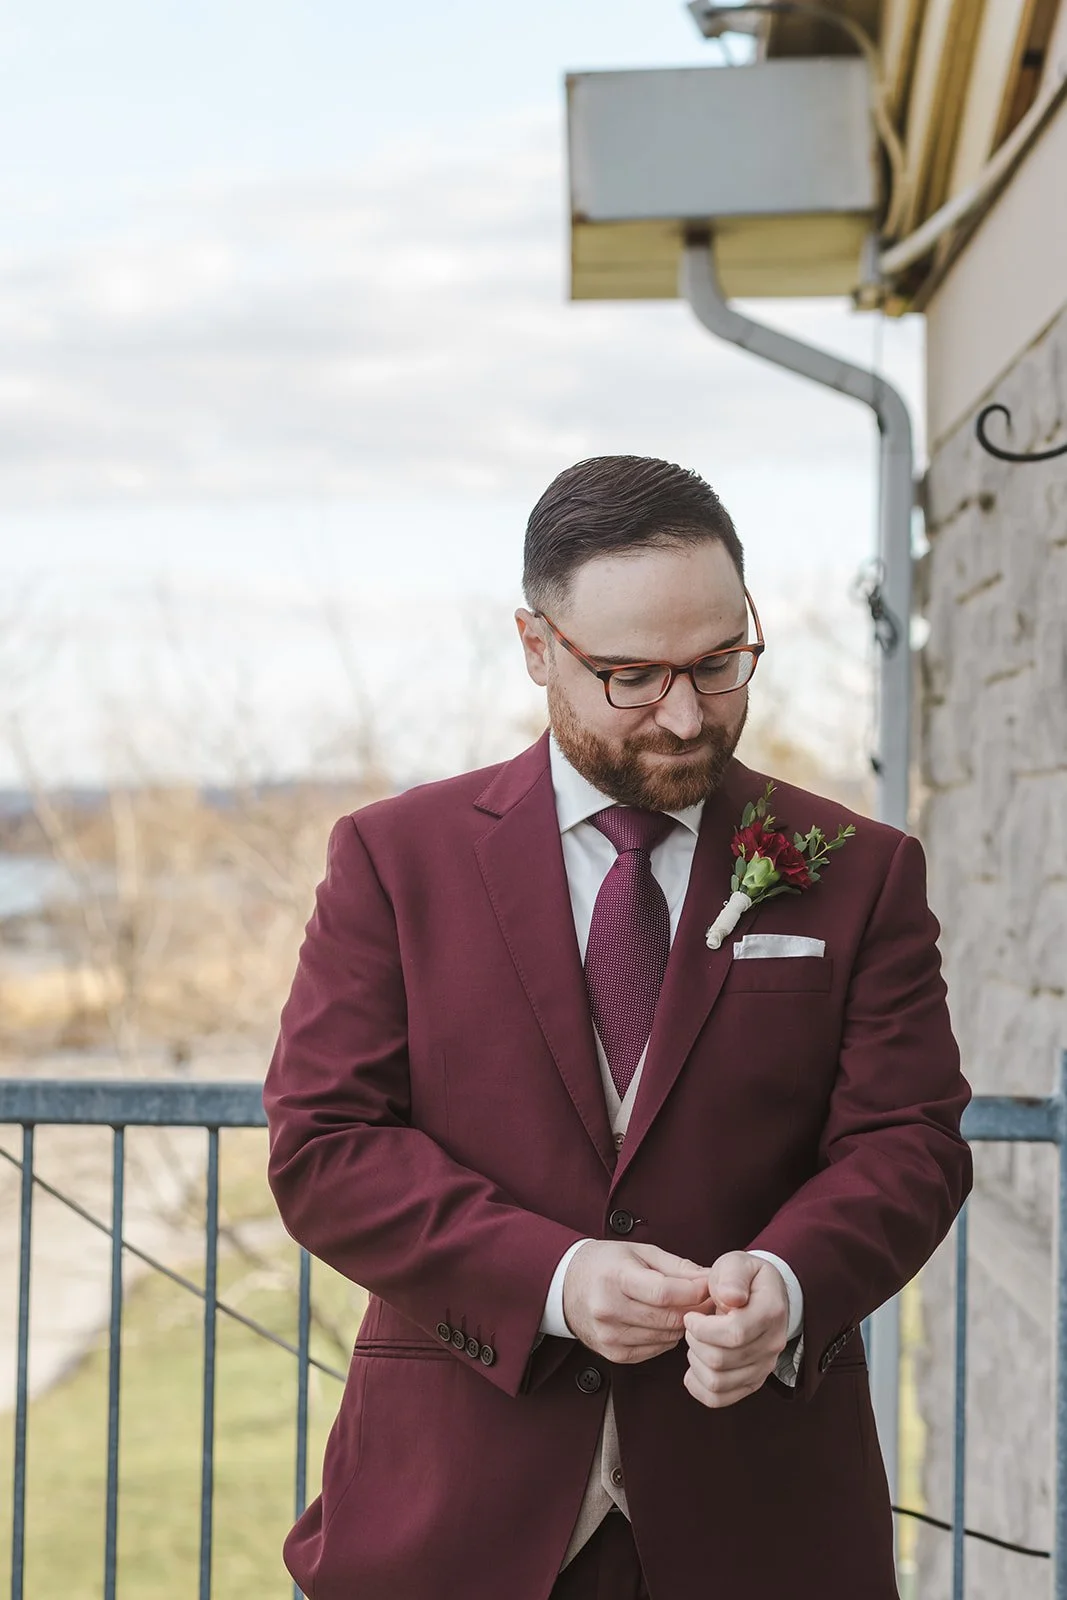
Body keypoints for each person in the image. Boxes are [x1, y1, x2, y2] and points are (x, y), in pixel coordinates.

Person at [264, 454, 972, 1600]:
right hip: (452, 1520)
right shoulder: (394, 861)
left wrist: (787, 1283)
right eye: (632, 676)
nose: (685, 716)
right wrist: (551, 1277)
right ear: (536, 647)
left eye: (718, 664)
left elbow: (910, 1142)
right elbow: (325, 1147)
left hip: (763, 1525)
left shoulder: (860, 871)